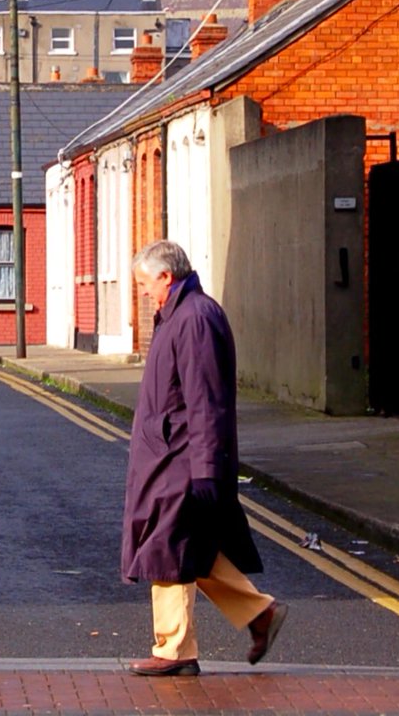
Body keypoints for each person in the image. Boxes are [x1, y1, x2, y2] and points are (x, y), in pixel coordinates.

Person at [121, 239, 287, 676]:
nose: (142, 292)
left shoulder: (194, 318)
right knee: (190, 547)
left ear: (166, 277)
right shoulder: (180, 314)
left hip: (180, 457)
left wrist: (207, 468)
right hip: (169, 453)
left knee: (166, 545)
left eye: (144, 283)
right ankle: (259, 613)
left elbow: (205, 399)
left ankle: (173, 650)